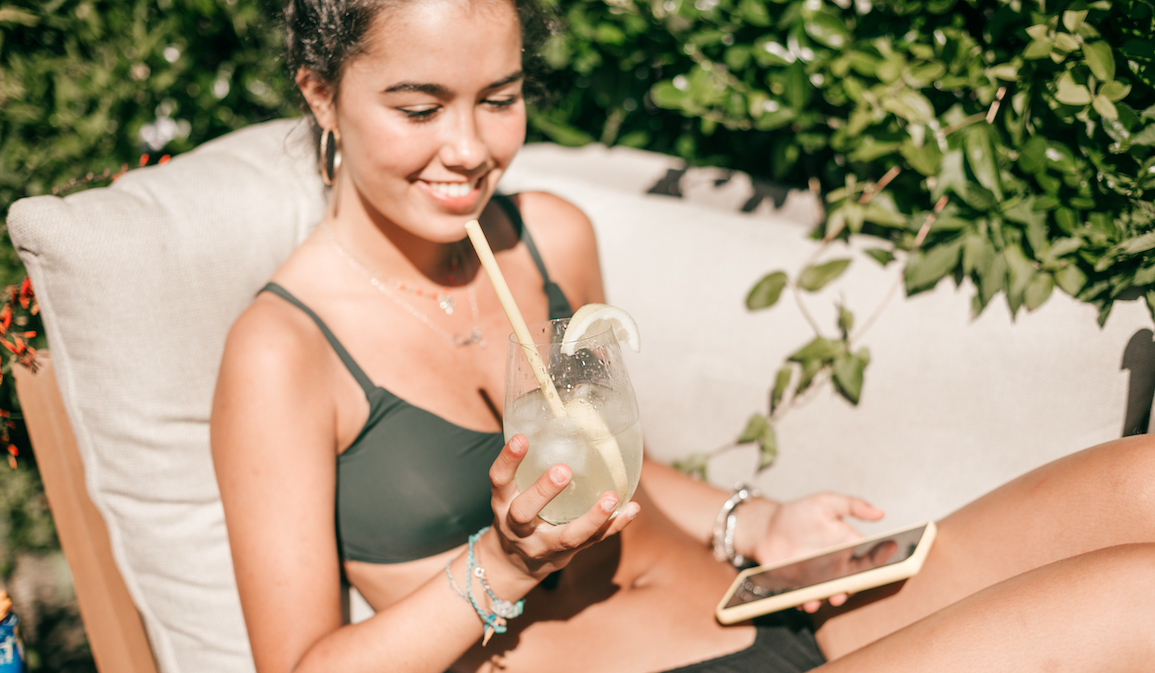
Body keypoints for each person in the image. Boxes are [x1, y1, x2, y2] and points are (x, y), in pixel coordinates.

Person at [209, 0, 1155, 671]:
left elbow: (625, 471)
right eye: (419, 108)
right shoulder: (282, 352)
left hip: (765, 615)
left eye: (498, 98)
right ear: (322, 95)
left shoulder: (547, 239)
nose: (469, 148)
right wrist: (505, 563)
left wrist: (756, 522)